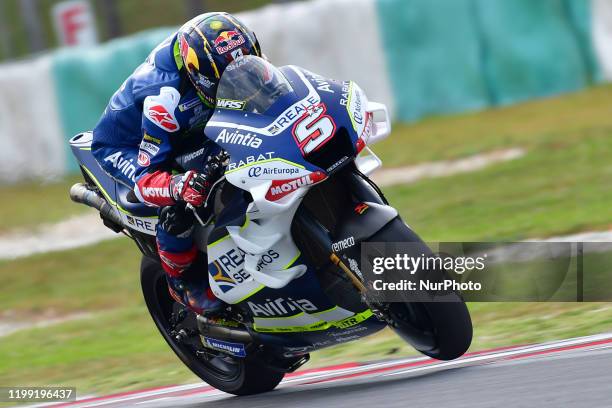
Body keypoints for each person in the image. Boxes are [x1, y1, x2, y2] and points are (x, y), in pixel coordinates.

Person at [91, 12, 263, 315]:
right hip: (128, 145)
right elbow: (146, 181)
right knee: (179, 201)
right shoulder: (163, 99)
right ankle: (183, 284)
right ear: (197, 75)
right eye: (226, 82)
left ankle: (378, 288)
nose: (239, 86)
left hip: (194, 126)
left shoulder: (225, 57)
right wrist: (180, 184)